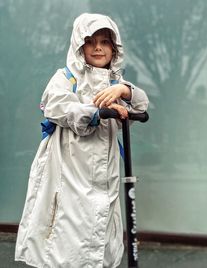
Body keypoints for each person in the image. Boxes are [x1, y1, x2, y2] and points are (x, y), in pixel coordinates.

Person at [15, 13, 149, 268]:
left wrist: (125, 91)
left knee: (102, 224)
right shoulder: (66, 78)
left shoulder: (114, 82)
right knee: (70, 230)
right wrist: (96, 112)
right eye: (90, 41)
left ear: (114, 48)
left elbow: (140, 105)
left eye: (105, 42)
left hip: (104, 173)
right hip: (70, 168)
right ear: (79, 46)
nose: (98, 47)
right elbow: (57, 105)